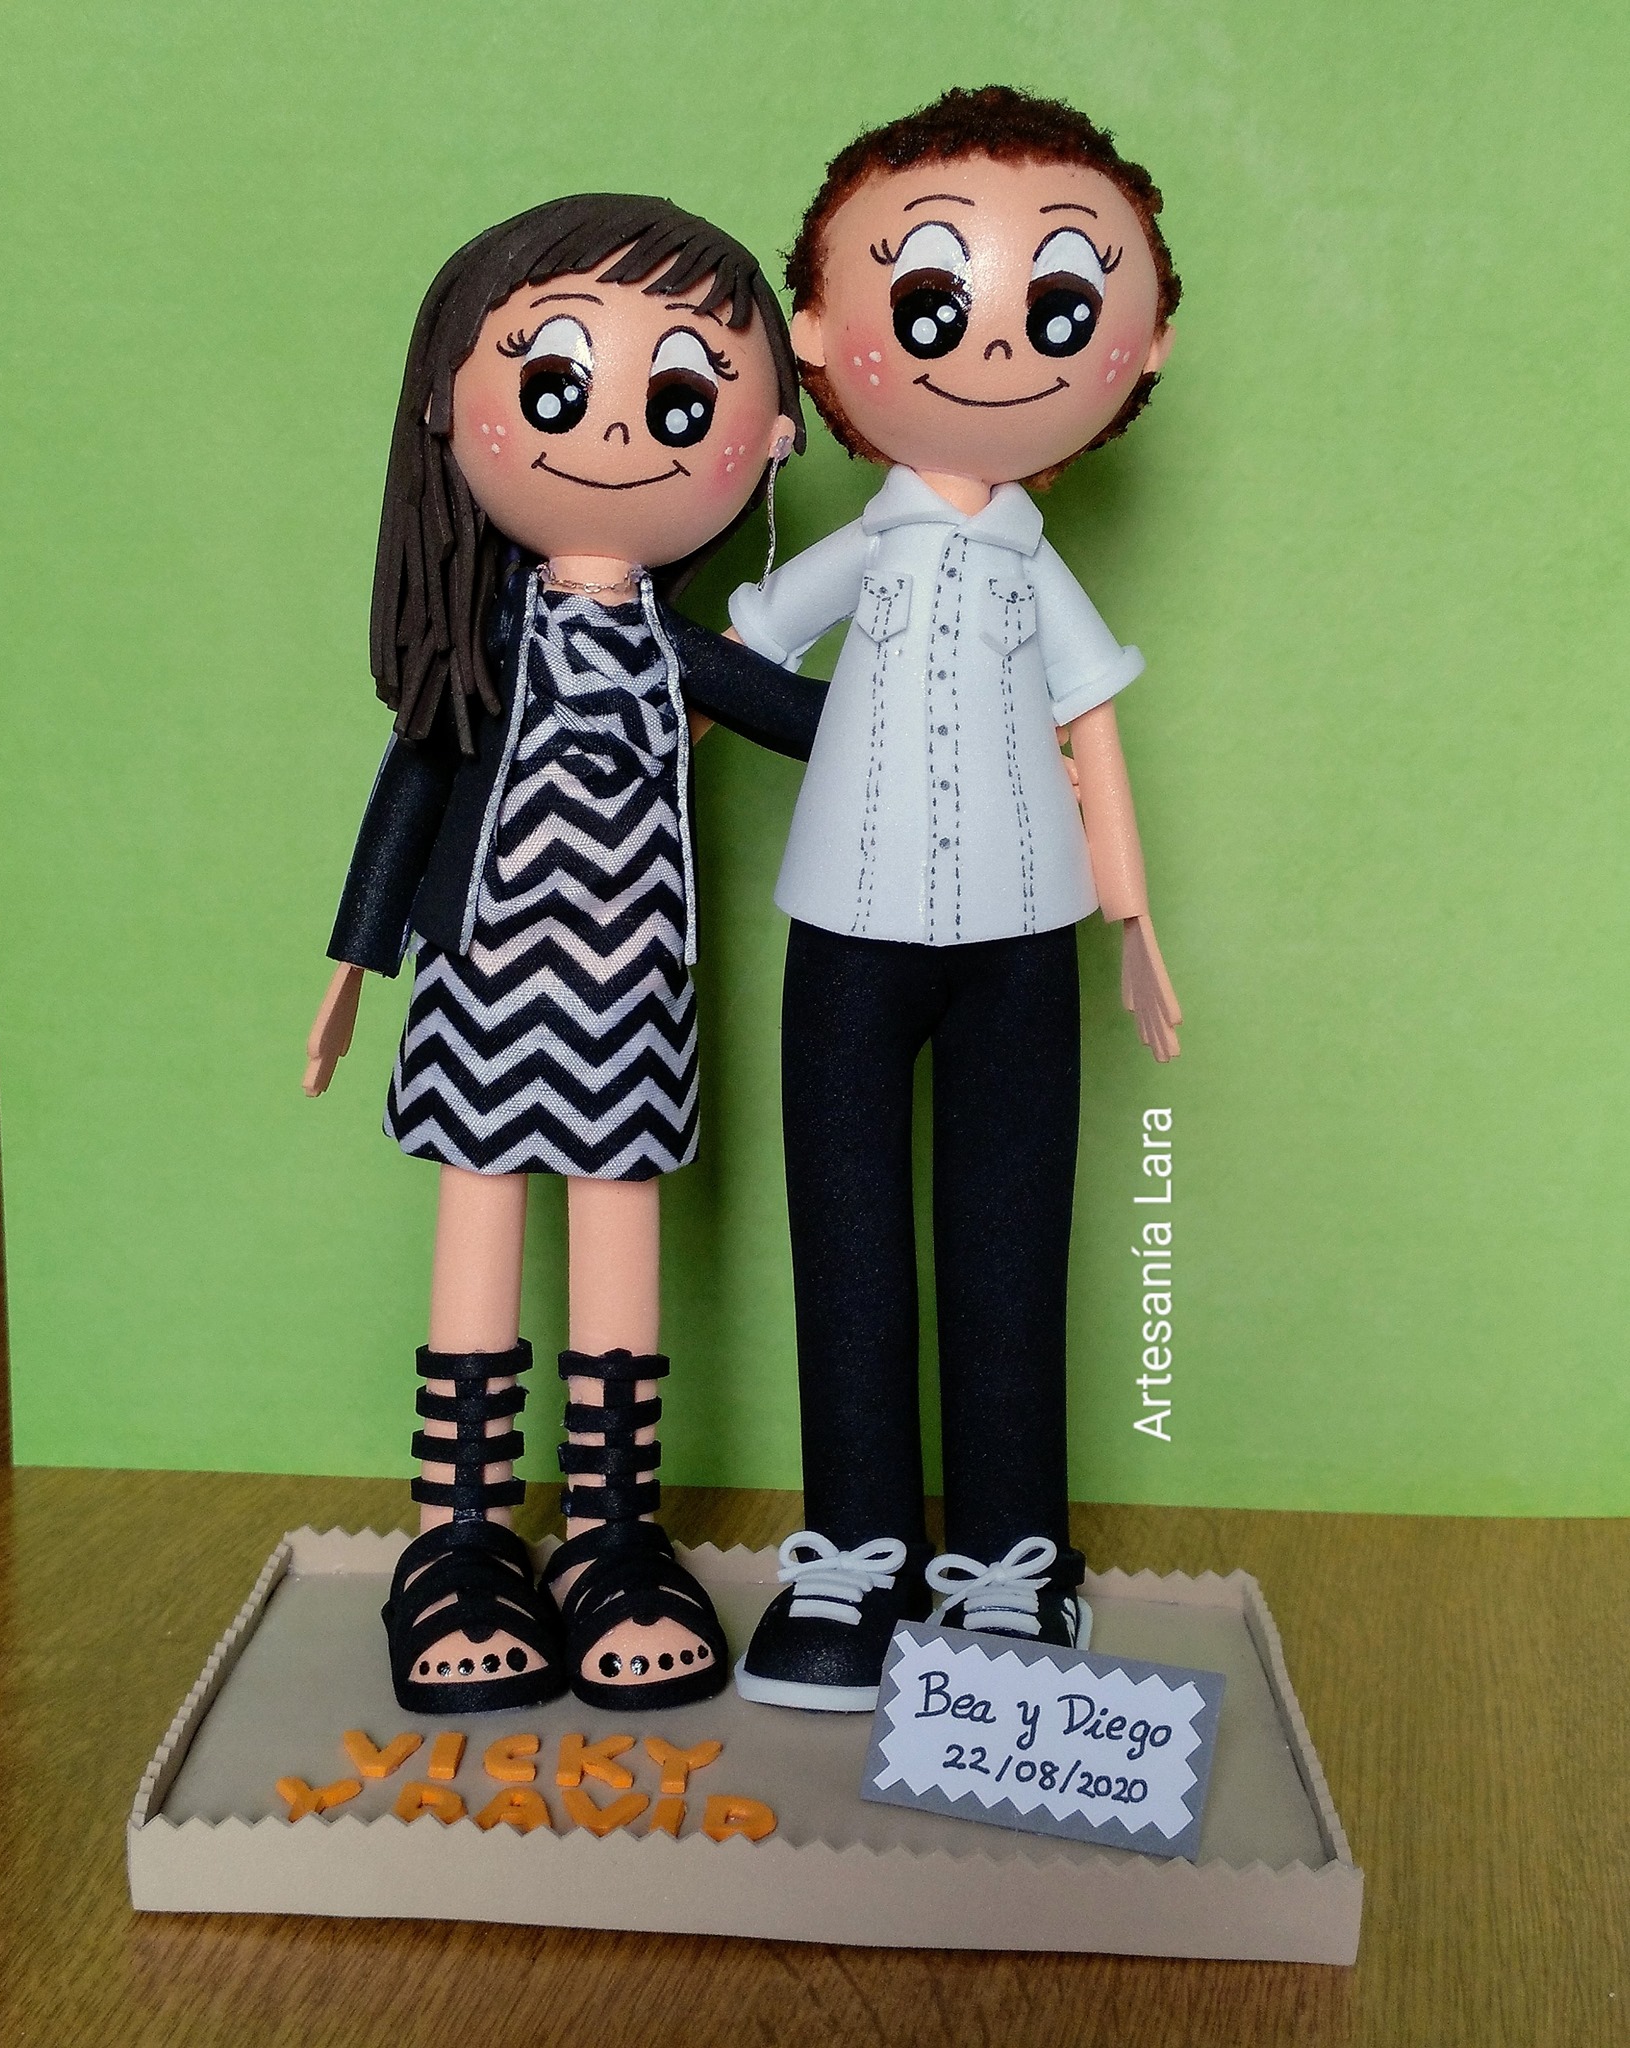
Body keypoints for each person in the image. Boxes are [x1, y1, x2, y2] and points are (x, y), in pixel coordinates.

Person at [305, 193, 822, 1715]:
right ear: (446, 402)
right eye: (553, 385)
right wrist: (354, 964)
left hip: (631, 994)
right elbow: (412, 790)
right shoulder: (481, 648)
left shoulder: (676, 652)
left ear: (772, 433)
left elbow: (818, 722)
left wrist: (978, 742)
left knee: (616, 1234)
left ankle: (610, 1536)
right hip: (484, 977)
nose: (615, 431)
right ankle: (457, 1537)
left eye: (684, 400)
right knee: (477, 1222)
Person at [726, 89, 1184, 1711]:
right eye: (929, 302)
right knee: (846, 1247)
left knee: (1008, 1246)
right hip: (843, 934)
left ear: (1143, 345)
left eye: (1057, 310)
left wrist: (1131, 922)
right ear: (817, 331)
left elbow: (1091, 730)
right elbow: (742, 657)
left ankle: (1010, 1557)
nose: (993, 343)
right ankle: (851, 1554)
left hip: (1023, 942)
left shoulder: (1033, 571)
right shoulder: (867, 550)